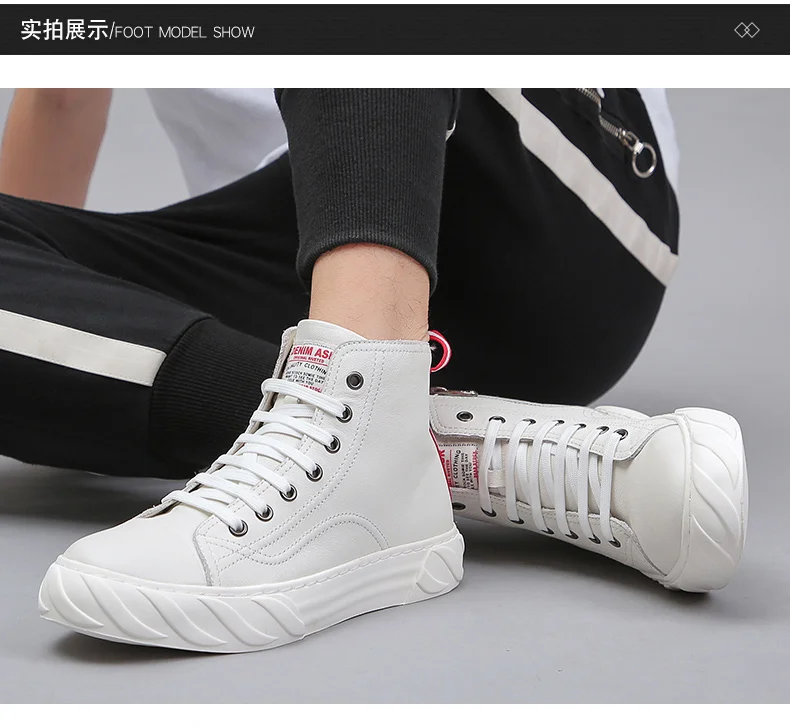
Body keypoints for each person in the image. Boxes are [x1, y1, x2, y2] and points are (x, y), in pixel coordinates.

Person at [0, 89, 746, 653]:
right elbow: (62, 96)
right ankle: (442, 446)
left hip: (544, 180)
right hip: (292, 264)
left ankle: (366, 410)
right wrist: (48, 327)